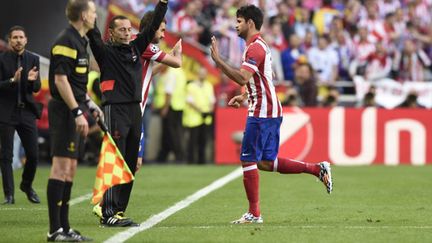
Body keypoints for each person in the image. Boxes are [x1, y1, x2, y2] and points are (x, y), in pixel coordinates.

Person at [210, 5, 333, 224]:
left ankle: (254, 214)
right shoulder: (259, 46)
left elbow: (242, 77)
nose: (235, 25)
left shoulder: (255, 48)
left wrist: (218, 61)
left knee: (248, 160)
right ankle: (317, 169)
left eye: (239, 21)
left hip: (262, 112)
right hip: (268, 109)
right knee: (266, 162)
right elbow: (262, 80)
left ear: (250, 23)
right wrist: (246, 96)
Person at [86, 0, 168, 227]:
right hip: (115, 109)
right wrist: (88, 10)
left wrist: (162, 3)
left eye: (129, 29)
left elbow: (150, 28)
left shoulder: (136, 47)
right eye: (121, 29)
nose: (126, 33)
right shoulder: (104, 52)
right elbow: (92, 33)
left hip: (134, 109)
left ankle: (118, 210)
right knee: (117, 159)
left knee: (131, 162)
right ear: (111, 33)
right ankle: (108, 212)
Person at [46, 0, 99, 241]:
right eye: (94, 12)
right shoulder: (65, 40)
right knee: (60, 168)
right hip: (64, 111)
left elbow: (76, 83)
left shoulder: (81, 41)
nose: (96, 16)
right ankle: (54, 230)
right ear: (84, 15)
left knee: (71, 169)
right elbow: (60, 80)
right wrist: (77, 112)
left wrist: (89, 104)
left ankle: (65, 228)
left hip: (75, 108)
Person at [0, 26, 41, 205]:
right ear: (9, 40)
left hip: (26, 112)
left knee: (33, 154)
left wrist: (31, 81)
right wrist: (12, 81)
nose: (18, 40)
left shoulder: (33, 59)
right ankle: (9, 195)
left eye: (21, 37)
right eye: (14, 37)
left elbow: (37, 87)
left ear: (26, 40)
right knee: (6, 156)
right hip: (6, 112)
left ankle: (26, 185)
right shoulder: (1, 59)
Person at [136, 10, 182, 168]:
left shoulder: (137, 44)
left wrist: (167, 58)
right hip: (132, 110)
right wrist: (178, 52)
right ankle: (111, 193)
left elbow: (149, 71)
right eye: (161, 30)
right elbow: (178, 63)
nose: (163, 35)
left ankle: (114, 193)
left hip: (134, 109)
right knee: (130, 161)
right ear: (152, 27)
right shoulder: (146, 46)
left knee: (132, 162)